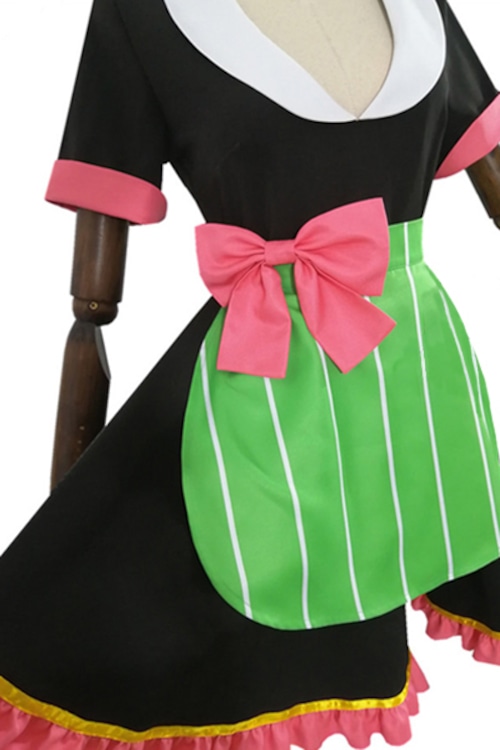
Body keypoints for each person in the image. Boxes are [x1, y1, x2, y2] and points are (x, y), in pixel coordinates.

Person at [0, 1, 500, 748]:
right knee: (230, 620)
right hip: (269, 376)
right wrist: (68, 503)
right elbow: (93, 308)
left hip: (419, 378)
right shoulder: (143, 15)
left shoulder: (419, 8)